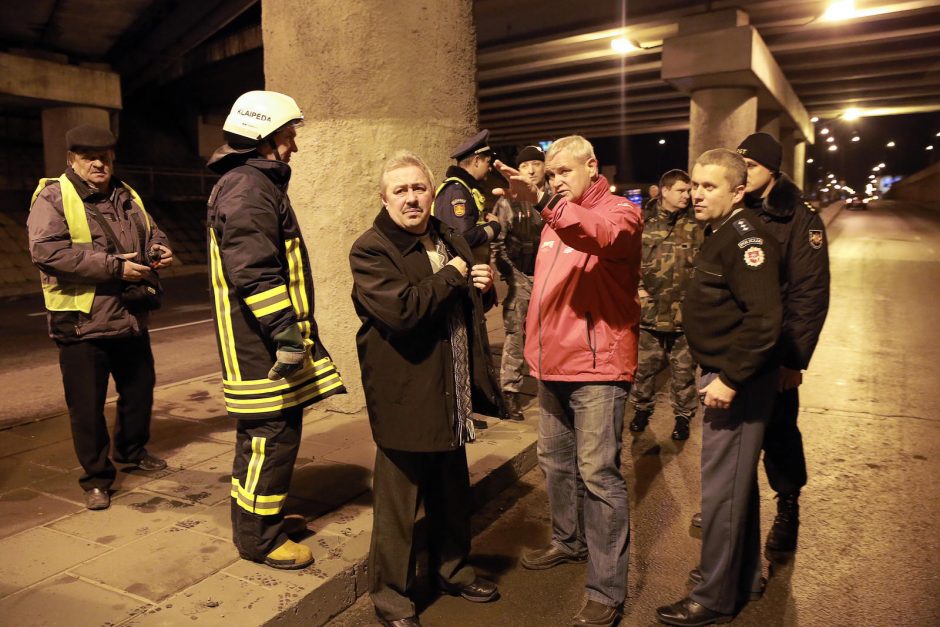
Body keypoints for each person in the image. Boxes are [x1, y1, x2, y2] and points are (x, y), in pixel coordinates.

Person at [350, 150, 504, 627]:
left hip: (451, 391)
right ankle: (392, 600)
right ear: (384, 198)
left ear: (432, 193)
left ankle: (452, 571)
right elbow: (402, 311)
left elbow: (467, 302)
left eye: (419, 188)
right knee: (399, 507)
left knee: (452, 493)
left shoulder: (448, 237)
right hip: (407, 395)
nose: (411, 198)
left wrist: (484, 284)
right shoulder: (372, 249)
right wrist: (455, 274)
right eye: (400, 190)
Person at [495, 135, 642, 627]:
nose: (556, 181)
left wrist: (542, 201)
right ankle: (569, 541)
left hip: (597, 369)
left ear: (591, 166)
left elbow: (597, 236)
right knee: (554, 462)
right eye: (550, 174)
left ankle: (606, 590)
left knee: (599, 476)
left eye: (564, 171)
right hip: (553, 365)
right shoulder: (556, 222)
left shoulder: (619, 213)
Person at [206, 90, 346, 570]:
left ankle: (260, 521)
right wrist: (287, 337)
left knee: (264, 439)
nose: (295, 147)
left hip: (256, 342)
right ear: (264, 138)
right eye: (289, 137)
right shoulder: (249, 188)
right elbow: (256, 272)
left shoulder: (246, 183)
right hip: (259, 348)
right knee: (271, 438)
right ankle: (260, 539)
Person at [656, 149, 782, 626]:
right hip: (726, 373)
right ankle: (742, 577)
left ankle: (712, 599)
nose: (696, 194)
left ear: (737, 190)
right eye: (695, 185)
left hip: (738, 380)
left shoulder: (748, 240)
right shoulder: (721, 232)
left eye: (709, 187)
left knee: (720, 493)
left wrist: (730, 378)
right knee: (735, 487)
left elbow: (765, 319)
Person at [27, 125, 172, 511]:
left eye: (105, 156)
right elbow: (47, 253)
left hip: (129, 316)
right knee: (87, 407)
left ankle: (132, 451)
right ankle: (96, 478)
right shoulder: (54, 197)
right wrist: (114, 268)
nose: (98, 163)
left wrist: (159, 247)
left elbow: (152, 231)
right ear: (71, 159)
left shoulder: (127, 194)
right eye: (89, 156)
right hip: (81, 323)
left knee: (139, 391)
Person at [737, 132, 830, 552]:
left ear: (772, 170)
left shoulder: (799, 217)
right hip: (736, 346)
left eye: (752, 166)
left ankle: (788, 505)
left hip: (777, 350)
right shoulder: (737, 209)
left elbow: (809, 294)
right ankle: (733, 506)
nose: (745, 173)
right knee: (732, 432)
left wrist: (793, 361)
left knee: (779, 434)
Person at [630, 169, 703, 441]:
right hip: (649, 314)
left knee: (683, 373)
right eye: (682, 190)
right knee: (644, 369)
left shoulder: (698, 223)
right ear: (665, 191)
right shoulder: (642, 222)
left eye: (689, 190)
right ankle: (641, 410)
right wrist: (638, 289)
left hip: (685, 315)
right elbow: (629, 261)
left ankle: (683, 417)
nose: (688, 195)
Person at [490, 145, 549, 421]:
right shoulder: (508, 201)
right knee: (515, 337)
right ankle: (510, 392)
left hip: (551, 278)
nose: (532, 169)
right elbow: (497, 242)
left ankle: (551, 388)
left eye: (537, 163)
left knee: (551, 336)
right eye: (527, 165)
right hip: (520, 277)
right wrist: (511, 275)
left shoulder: (552, 198)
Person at [433, 129, 501, 262]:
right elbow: (463, 238)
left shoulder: (465, 189)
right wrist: (494, 226)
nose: (490, 168)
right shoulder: (457, 191)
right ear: (476, 161)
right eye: (488, 162)